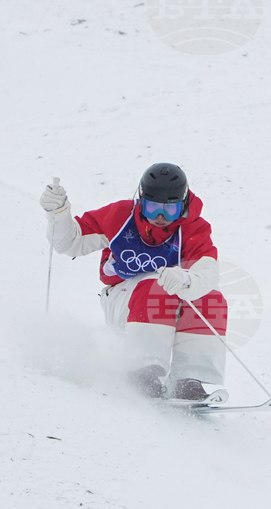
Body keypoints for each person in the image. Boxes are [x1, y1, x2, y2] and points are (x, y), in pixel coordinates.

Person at [40, 163, 228, 400]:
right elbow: (70, 242)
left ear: (184, 205)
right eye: (152, 208)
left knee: (211, 298)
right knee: (155, 287)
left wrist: (186, 278)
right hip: (123, 300)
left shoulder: (192, 229)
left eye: (170, 210)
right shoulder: (120, 217)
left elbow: (207, 270)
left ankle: (191, 381)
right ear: (140, 201)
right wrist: (58, 213)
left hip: (174, 297)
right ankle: (144, 371)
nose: (160, 217)